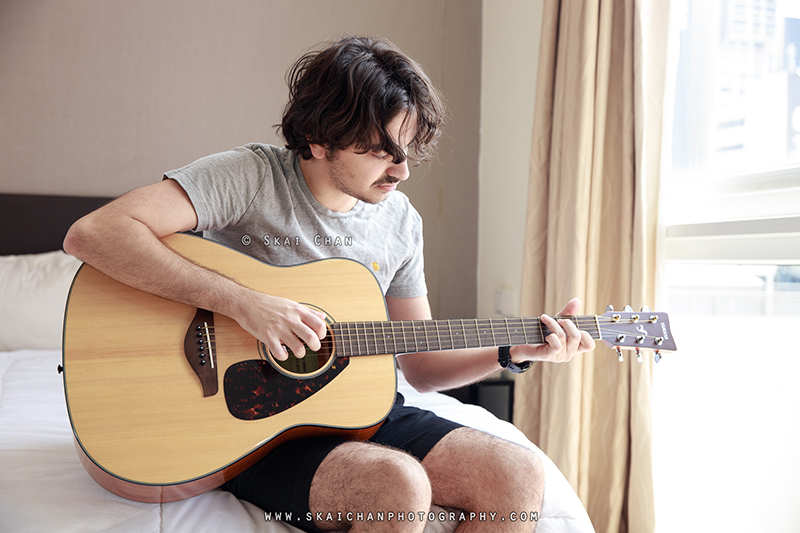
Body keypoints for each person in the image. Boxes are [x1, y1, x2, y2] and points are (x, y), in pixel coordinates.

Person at [64, 35, 595, 532]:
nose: (402, 172)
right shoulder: (251, 177)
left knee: (520, 475)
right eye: (379, 151)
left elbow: (424, 369)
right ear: (319, 140)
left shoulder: (400, 223)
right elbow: (95, 234)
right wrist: (245, 303)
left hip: (356, 411)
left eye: (407, 150)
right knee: (399, 486)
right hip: (244, 422)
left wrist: (510, 352)